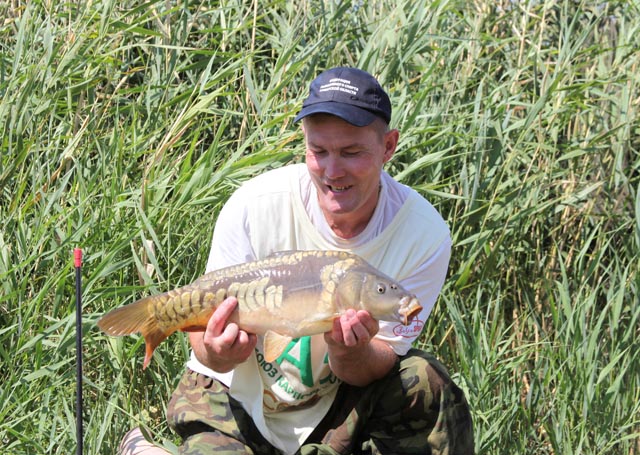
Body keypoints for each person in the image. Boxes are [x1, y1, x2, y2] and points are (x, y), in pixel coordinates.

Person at [120, 67, 474, 455]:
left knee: (423, 378)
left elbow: (382, 361)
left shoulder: (423, 233)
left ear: (388, 147)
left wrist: (349, 352)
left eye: (351, 152)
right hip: (233, 396)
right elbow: (203, 336)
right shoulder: (255, 205)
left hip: (332, 407)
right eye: (318, 151)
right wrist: (215, 351)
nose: (332, 171)